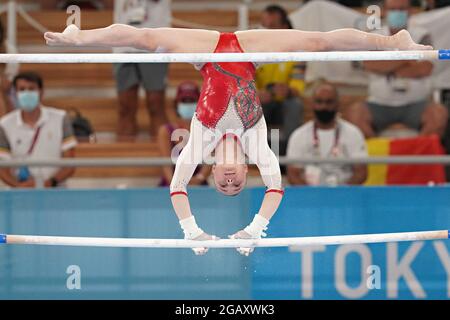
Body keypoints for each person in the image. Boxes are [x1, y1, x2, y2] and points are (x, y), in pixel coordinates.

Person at [44, 23, 431, 255]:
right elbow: (277, 187)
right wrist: (255, 228)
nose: (230, 180)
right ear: (246, 173)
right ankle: (391, 40)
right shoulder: (257, 142)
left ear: (213, 172)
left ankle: (79, 36)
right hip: (248, 52)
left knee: (145, 38)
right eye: (237, 184)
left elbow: (177, 185)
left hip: (206, 52)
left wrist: (191, 230)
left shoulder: (198, 140)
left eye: (223, 184)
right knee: (318, 42)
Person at [344, 0, 448, 138]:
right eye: (393, 9)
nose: (397, 13)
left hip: (416, 103)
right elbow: (370, 64)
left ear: (410, 11)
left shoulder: (422, 35)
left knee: (439, 114)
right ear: (385, 11)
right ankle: (377, 155)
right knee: (355, 113)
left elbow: (424, 69)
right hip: (379, 102)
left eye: (401, 9)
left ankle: (416, 152)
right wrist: (408, 58)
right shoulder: (374, 36)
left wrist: (386, 64)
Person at [0, 72, 77, 188]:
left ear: (41, 92)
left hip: (55, 192)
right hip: (20, 195)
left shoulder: (61, 118)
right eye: (22, 89)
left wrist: (49, 183)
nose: (26, 93)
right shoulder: (4, 124)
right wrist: (20, 187)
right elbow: (2, 168)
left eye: (31, 89)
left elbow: (70, 164)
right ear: (15, 93)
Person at [287, 83, 368, 186]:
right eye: (319, 102)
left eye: (329, 102)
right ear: (312, 104)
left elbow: (361, 173)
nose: (324, 106)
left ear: (337, 104)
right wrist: (311, 195)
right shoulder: (298, 135)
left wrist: (342, 193)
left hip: (345, 195)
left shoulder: (353, 133)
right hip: (309, 197)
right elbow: (293, 175)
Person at [113, 0, 171, 139]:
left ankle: (162, 157)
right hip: (123, 44)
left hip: (155, 43)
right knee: (125, 104)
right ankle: (126, 156)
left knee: (155, 102)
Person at [256, 5, 305, 152]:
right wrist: (256, 94)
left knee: (295, 105)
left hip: (285, 103)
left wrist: (289, 91)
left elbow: (298, 87)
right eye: (264, 26)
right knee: (250, 104)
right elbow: (246, 82)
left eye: (272, 26)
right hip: (262, 102)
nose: (267, 30)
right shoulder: (252, 50)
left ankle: (290, 153)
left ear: (284, 27)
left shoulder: (298, 51)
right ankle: (256, 152)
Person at [157, 81, 211, 187]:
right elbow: (165, 164)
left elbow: (210, 161)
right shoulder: (166, 131)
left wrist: (198, 179)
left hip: (198, 185)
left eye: (191, 101)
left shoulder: (206, 130)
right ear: (176, 104)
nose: (187, 104)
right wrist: (175, 184)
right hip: (170, 184)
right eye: (184, 101)